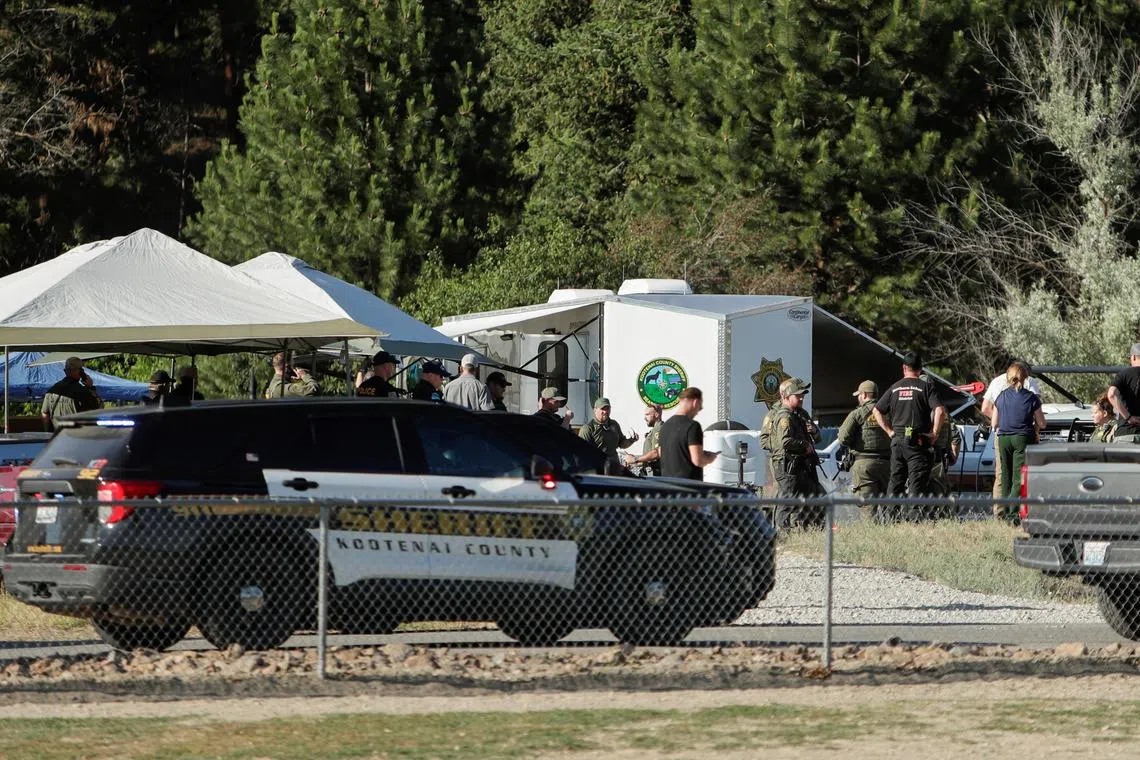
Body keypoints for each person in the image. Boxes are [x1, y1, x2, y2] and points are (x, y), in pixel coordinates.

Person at [872, 352, 945, 509]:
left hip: (897, 441)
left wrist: (889, 431)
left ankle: (891, 517)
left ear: (904, 368)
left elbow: (876, 410)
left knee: (895, 482)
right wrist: (934, 433)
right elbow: (940, 411)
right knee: (916, 484)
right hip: (917, 443)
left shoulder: (894, 388)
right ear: (920, 368)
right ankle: (914, 518)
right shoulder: (926, 387)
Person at [760, 377, 824, 528]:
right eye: (798, 395)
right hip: (786, 461)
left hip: (803, 461)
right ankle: (782, 530)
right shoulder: (776, 414)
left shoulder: (801, 413)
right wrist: (785, 449)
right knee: (787, 496)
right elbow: (766, 441)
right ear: (785, 396)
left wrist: (813, 432)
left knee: (811, 494)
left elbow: (817, 438)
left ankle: (807, 528)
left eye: (802, 395)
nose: (802, 398)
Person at [981, 359, 1042, 505]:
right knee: (1020, 475)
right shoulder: (1030, 382)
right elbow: (1035, 409)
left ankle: (1000, 511)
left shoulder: (996, 382)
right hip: (1023, 434)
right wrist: (1035, 430)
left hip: (1002, 434)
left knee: (1002, 475)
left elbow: (985, 408)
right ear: (1025, 373)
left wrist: (1004, 421)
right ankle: (1016, 511)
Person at [837, 380, 890, 521]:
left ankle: (871, 533)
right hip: (888, 464)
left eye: (859, 395)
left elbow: (842, 438)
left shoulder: (857, 414)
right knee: (890, 507)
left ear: (865, 395)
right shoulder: (888, 412)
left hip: (864, 466)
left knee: (868, 508)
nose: (858, 398)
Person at [659, 387, 718, 482]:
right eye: (700, 407)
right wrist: (710, 457)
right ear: (695, 402)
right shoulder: (693, 426)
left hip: (668, 484)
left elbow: (660, 453)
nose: (698, 412)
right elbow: (698, 460)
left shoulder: (665, 426)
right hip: (688, 485)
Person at [41, 356, 101, 430]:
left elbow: (45, 413)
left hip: (57, 435)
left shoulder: (52, 391)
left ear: (65, 371)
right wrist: (91, 388)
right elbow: (98, 409)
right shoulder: (83, 391)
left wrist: (48, 432)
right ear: (80, 371)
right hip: (75, 435)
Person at [579, 397, 638, 471]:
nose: (605, 411)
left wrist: (631, 440)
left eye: (608, 409)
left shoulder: (614, 424)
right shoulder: (588, 428)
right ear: (595, 410)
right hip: (598, 467)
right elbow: (582, 452)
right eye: (602, 409)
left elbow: (622, 444)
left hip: (614, 466)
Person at [1108, 343, 1140, 439]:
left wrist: (1128, 417)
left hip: (1127, 434)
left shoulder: (1124, 374)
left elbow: (1111, 394)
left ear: (1133, 357)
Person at [623, 404, 663, 475]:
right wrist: (633, 463)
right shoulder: (654, 430)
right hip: (651, 472)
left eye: (647, 414)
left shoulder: (658, 429)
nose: (645, 418)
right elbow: (649, 459)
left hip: (654, 473)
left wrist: (635, 459)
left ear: (656, 415)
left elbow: (655, 454)